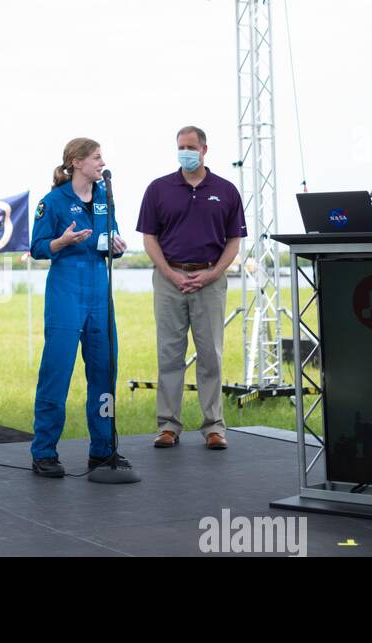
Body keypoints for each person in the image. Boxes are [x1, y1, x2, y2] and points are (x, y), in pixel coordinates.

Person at [137, 126, 246, 451]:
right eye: (180, 147)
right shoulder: (159, 189)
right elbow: (149, 238)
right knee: (169, 354)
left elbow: (234, 241)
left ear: (204, 149)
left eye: (190, 147)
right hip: (170, 281)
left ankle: (214, 427)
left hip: (209, 281)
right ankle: (168, 425)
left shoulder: (225, 191)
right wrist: (170, 273)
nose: (185, 152)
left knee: (210, 354)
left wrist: (213, 274)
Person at [28, 137, 129, 478]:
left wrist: (117, 246)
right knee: (57, 372)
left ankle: (103, 450)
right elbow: (38, 247)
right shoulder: (53, 202)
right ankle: (44, 452)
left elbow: (110, 235)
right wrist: (62, 241)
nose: (102, 163)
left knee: (104, 371)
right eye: (97, 157)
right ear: (77, 162)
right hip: (66, 291)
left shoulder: (105, 198)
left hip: (100, 290)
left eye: (102, 157)